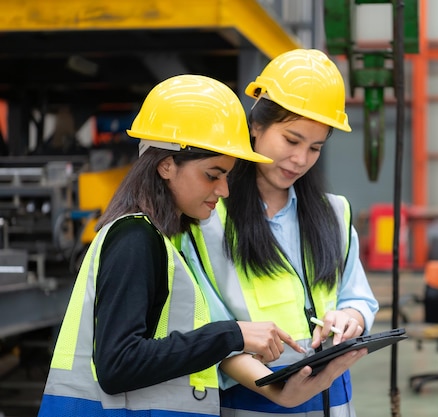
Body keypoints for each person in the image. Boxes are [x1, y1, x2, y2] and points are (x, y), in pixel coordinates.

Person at [37, 74, 366, 417]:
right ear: (166, 165)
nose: (224, 190)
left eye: (226, 175)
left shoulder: (156, 240)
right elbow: (117, 365)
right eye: (212, 174)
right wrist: (231, 335)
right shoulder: (135, 239)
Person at [184, 49, 379, 416]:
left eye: (315, 147)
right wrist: (278, 390)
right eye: (292, 140)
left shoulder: (334, 213)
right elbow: (207, 326)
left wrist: (349, 319)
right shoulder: (208, 220)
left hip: (333, 401)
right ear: (256, 126)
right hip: (253, 401)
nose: (301, 159)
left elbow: (359, 297)